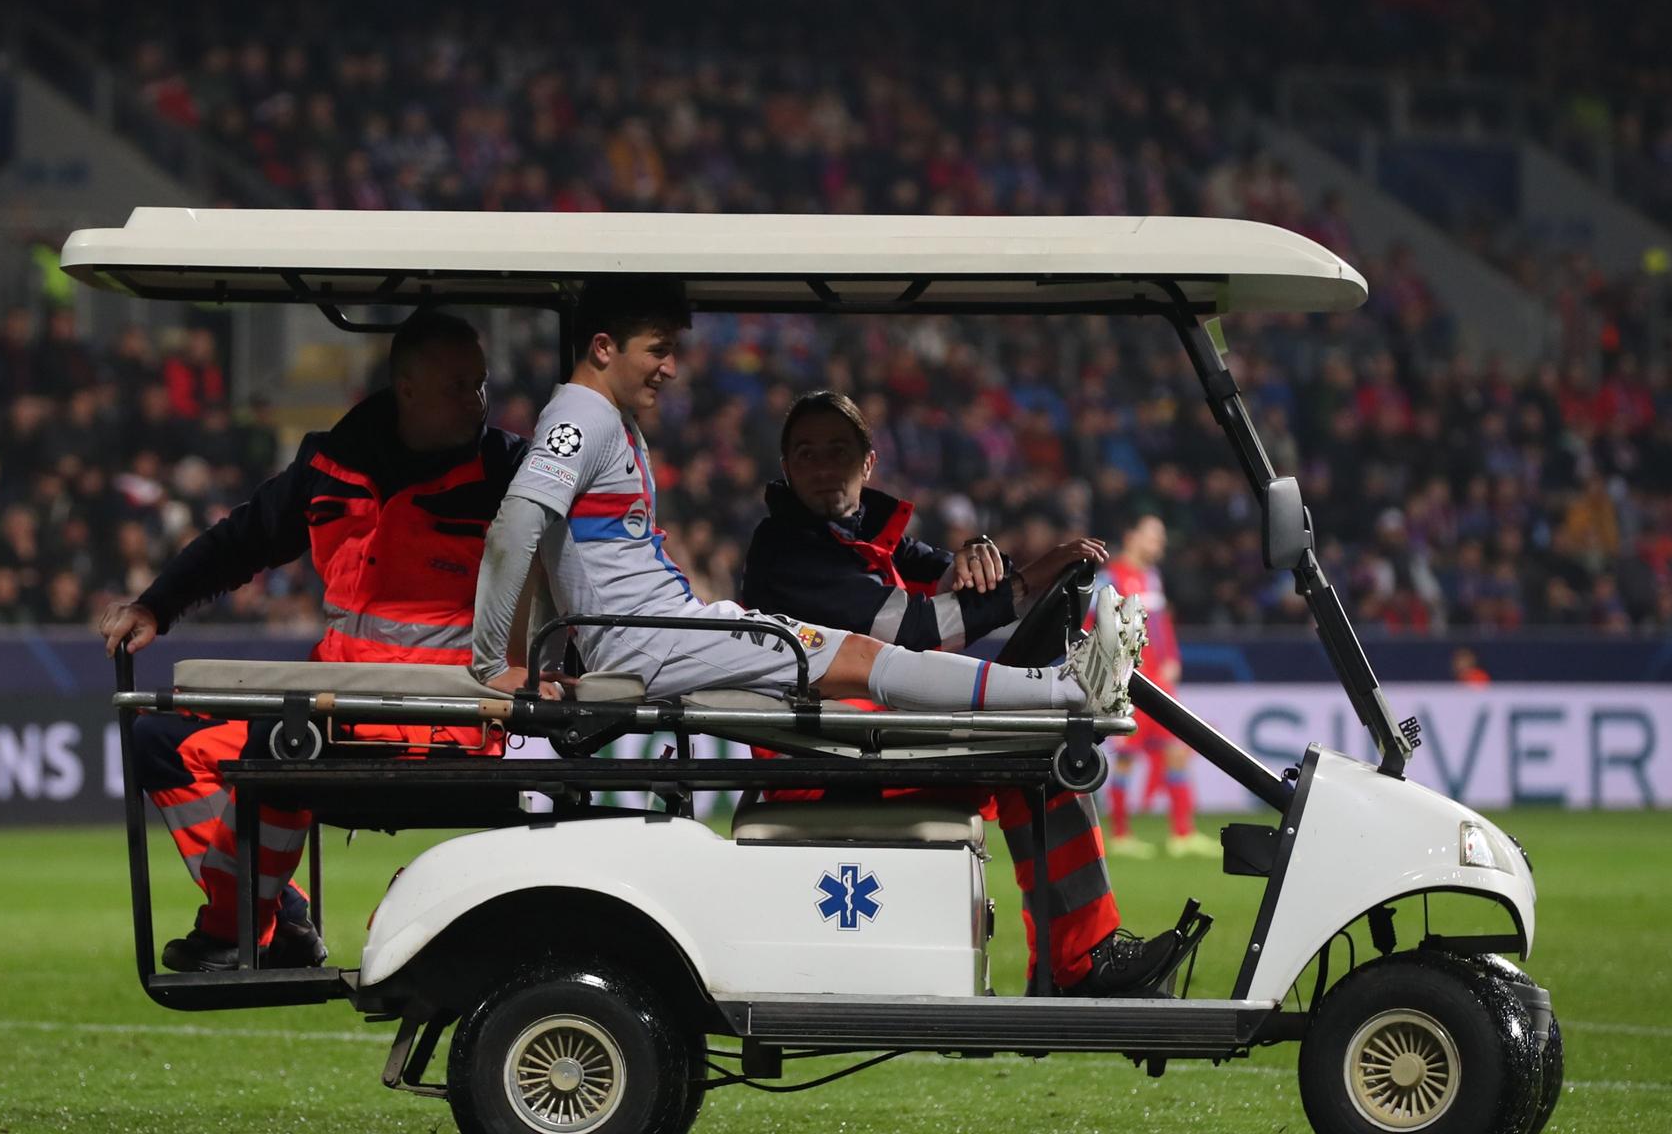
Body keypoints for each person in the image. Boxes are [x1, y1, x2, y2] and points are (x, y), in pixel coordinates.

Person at [469, 279, 1146, 726]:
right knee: (857, 658)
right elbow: (516, 528)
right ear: (603, 346)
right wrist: (499, 665)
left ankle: (1061, 687)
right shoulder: (582, 417)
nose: (671, 367)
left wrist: (544, 655)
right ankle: (1063, 691)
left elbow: (543, 544)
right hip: (651, 641)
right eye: (660, 350)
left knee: (855, 656)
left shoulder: (602, 418)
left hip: (665, 629)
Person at [98, 311, 526, 972]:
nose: (477, 402)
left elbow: (571, 580)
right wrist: (157, 603)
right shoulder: (329, 464)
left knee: (279, 745)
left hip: (447, 724)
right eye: (457, 386)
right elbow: (242, 538)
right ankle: (278, 917)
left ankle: (232, 930)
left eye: (480, 384)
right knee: (158, 741)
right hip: (339, 710)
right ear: (406, 390)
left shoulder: (510, 475)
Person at [739, 390, 1186, 997]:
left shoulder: (868, 533)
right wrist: (1035, 573)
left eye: (838, 451)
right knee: (1040, 757)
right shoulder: (789, 548)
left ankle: (1078, 961)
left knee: (1041, 750)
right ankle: (1081, 964)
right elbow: (917, 627)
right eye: (806, 453)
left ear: (868, 462)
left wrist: (984, 552)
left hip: (874, 741)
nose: (823, 467)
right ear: (786, 468)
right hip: (828, 755)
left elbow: (953, 576)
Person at [1096, 513, 1216, 858]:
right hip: (1131, 683)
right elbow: (1094, 624)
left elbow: (1161, 623)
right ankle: (1119, 833)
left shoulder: (1151, 576)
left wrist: (1172, 656)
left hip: (1161, 681)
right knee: (1125, 759)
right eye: (1153, 536)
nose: (1159, 544)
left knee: (1177, 752)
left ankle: (1182, 833)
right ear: (1131, 536)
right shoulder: (1111, 577)